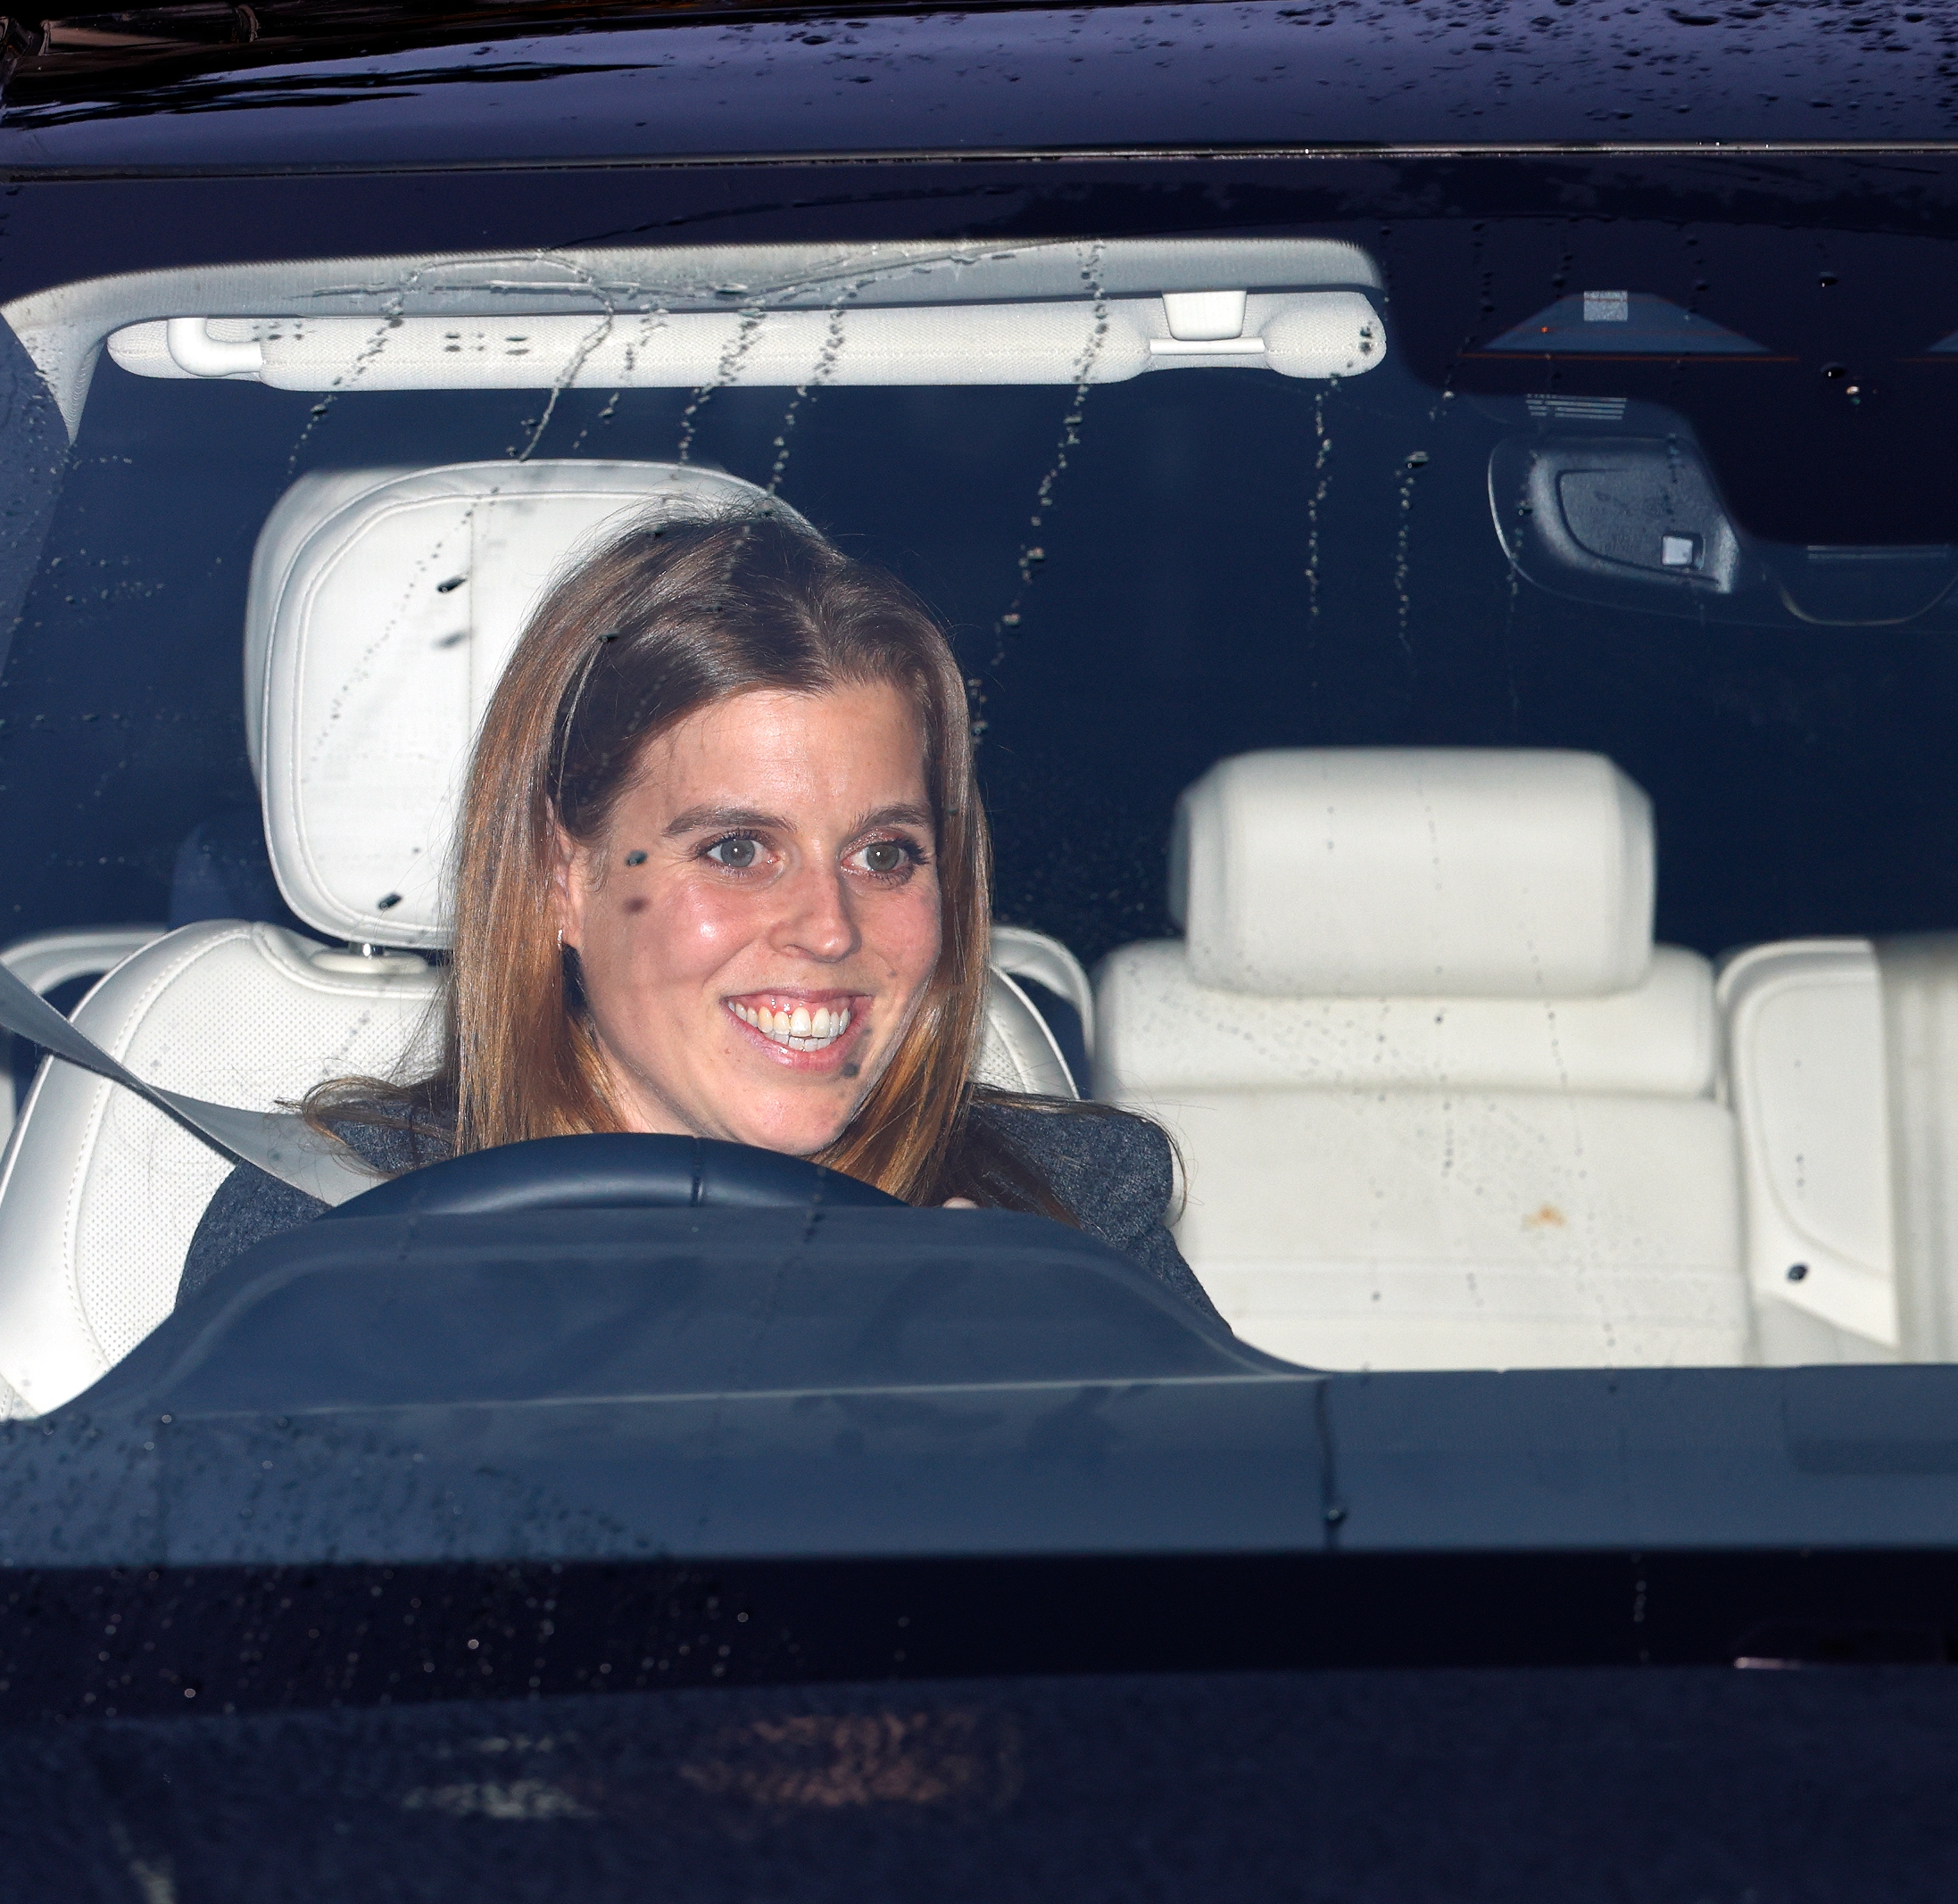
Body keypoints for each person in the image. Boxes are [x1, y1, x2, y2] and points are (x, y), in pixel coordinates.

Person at [174, 511, 1212, 1320]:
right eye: (736, 850)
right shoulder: (326, 1237)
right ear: (558, 878)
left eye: (884, 854)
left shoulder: (1068, 1224)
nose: (830, 928)